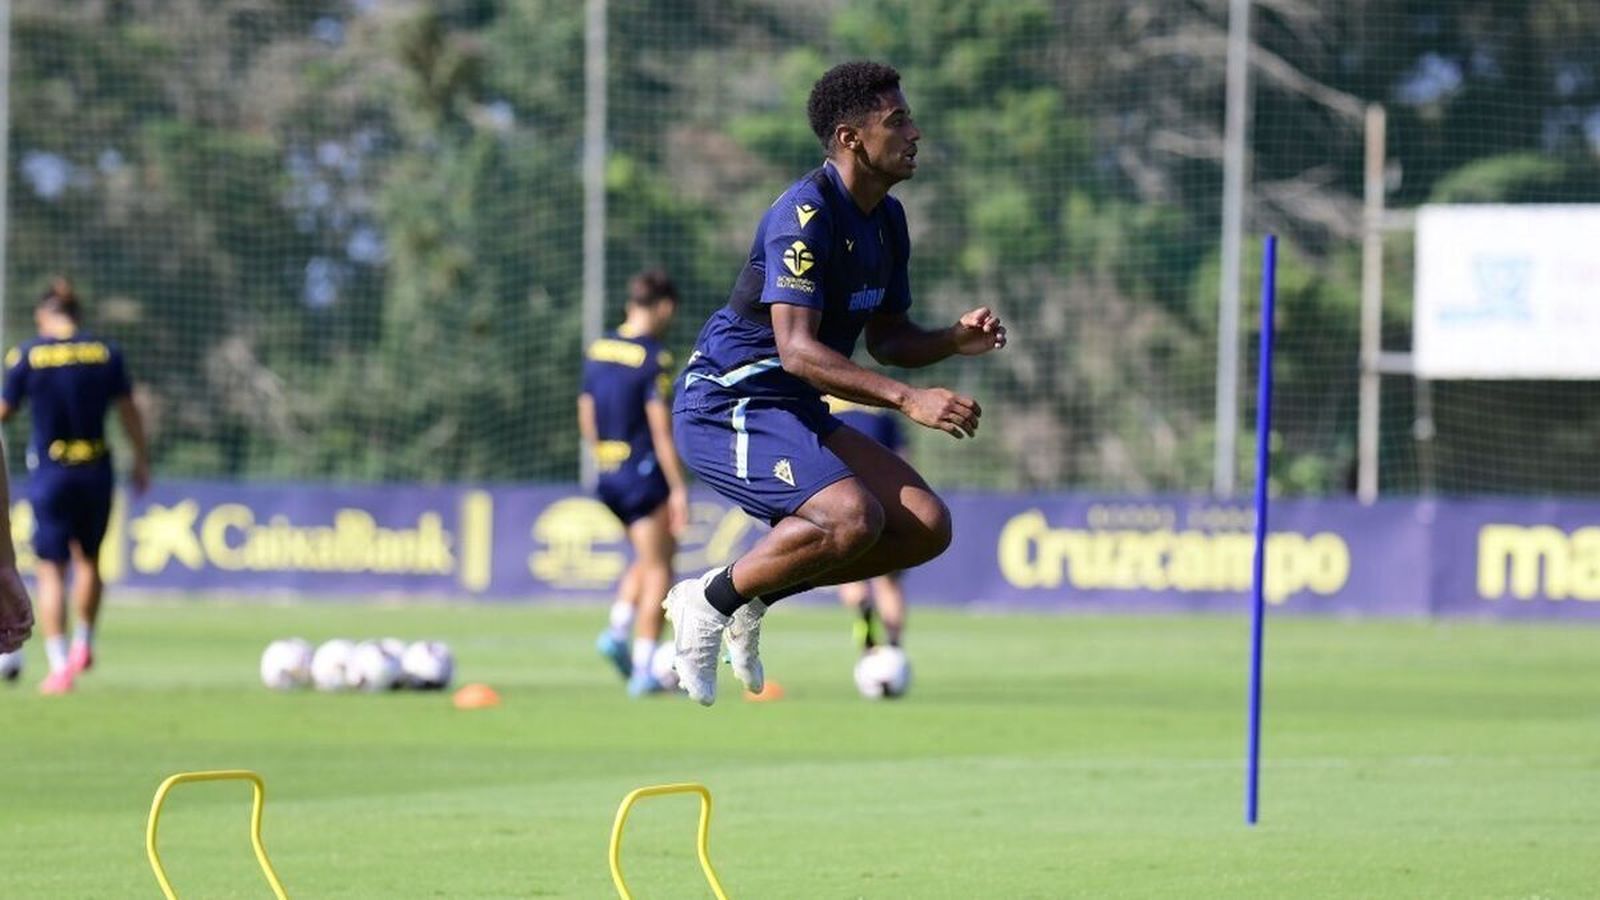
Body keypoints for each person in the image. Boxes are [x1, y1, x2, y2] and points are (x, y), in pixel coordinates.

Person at [666, 61, 1006, 705]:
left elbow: (887, 339)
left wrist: (951, 341)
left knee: (926, 528)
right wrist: (910, 401)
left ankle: (745, 595)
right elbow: (796, 351)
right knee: (852, 515)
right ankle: (706, 601)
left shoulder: (888, 220)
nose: (915, 131)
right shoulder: (804, 216)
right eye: (897, 120)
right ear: (851, 138)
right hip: (728, 401)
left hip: (795, 409)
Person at [0, 279, 149, 694]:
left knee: (51, 570)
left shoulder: (29, 354)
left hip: (51, 472)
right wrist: (141, 457)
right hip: (96, 469)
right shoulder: (105, 352)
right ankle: (84, 641)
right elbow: (129, 410)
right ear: (77, 316)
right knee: (90, 561)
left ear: (44, 316)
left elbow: (4, 412)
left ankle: (60, 664)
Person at [578, 270, 690, 697]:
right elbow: (661, 429)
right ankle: (643, 666)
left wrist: (603, 456)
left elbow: (586, 412)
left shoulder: (599, 347)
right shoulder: (652, 358)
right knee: (663, 565)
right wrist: (678, 487)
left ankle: (618, 630)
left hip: (607, 470)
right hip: (642, 472)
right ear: (663, 307)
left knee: (648, 555)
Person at [824, 396, 908, 653]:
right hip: (883, 497)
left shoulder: (821, 401)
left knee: (848, 570)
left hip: (842, 495)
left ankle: (862, 608)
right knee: (888, 581)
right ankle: (894, 649)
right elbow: (903, 459)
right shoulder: (885, 404)